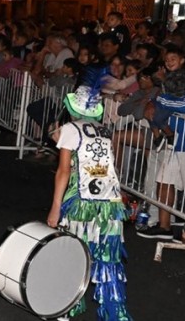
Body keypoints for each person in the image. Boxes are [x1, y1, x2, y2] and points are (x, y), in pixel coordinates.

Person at [47, 79, 131, 321]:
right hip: (110, 202)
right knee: (108, 258)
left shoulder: (69, 130)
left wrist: (55, 207)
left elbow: (64, 171)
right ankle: (115, 313)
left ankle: (65, 307)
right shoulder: (105, 130)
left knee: (75, 250)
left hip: (83, 202)